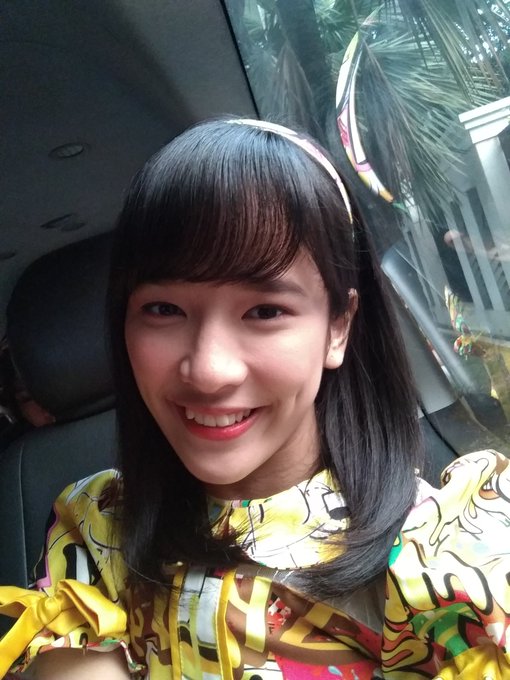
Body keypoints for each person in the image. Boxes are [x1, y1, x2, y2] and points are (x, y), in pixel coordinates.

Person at [0, 118, 509, 679]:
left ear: (338, 327)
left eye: (265, 311)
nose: (208, 370)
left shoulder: (441, 551)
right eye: (163, 309)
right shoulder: (98, 529)